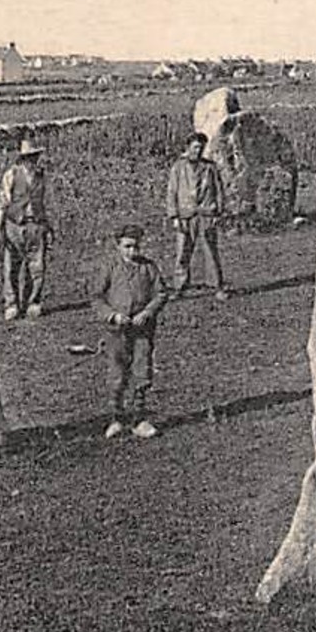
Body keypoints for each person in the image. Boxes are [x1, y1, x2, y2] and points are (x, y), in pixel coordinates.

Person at [91, 223, 168, 439]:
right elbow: (96, 298)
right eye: (127, 247)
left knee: (142, 372)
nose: (132, 251)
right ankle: (117, 418)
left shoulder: (148, 267)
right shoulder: (110, 267)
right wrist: (113, 315)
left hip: (142, 331)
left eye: (135, 247)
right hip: (116, 331)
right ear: (118, 246)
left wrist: (147, 313)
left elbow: (161, 293)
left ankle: (139, 419)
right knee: (117, 375)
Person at [165, 132, 229, 300]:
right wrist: (174, 216)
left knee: (210, 251)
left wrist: (218, 212)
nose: (198, 151)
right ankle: (179, 288)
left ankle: (217, 287)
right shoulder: (178, 168)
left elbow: (219, 190)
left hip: (207, 215)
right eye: (195, 147)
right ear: (188, 148)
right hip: (186, 216)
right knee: (182, 252)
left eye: (201, 148)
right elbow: (172, 192)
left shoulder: (210, 167)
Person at [0, 137, 53, 321]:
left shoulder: (40, 175)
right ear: (22, 158)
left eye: (34, 156)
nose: (32, 160)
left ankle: (33, 302)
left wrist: (47, 226)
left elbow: (42, 202)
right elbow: (2, 201)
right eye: (29, 157)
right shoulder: (11, 174)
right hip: (14, 224)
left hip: (35, 225)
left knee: (37, 267)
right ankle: (11, 304)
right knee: (11, 266)